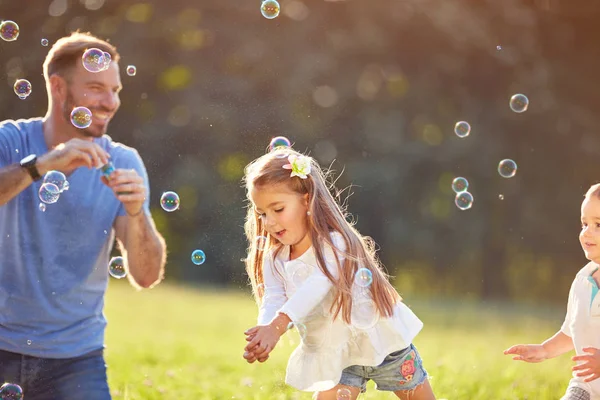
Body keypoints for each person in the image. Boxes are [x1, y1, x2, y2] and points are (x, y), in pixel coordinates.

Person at [0, 32, 167, 400]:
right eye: (96, 87)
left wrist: (137, 215)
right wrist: (41, 166)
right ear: (58, 88)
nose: (110, 102)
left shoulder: (122, 162)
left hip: (75, 357)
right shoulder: (10, 142)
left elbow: (146, 275)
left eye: (116, 90)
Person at [241, 148, 436, 400]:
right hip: (335, 353)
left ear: (306, 199)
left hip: (382, 342)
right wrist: (265, 330)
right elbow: (274, 296)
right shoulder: (275, 258)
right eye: (262, 213)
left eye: (278, 209)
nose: (269, 222)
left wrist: (277, 326)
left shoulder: (335, 243)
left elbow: (318, 285)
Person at [504, 183, 600, 400]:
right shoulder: (582, 282)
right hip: (586, 387)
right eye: (584, 223)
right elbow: (571, 331)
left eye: (598, 224)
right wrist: (544, 349)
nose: (587, 232)